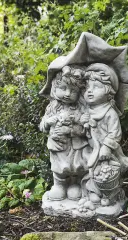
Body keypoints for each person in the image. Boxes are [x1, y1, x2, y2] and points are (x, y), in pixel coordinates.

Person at [80, 63, 128, 206]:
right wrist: (85, 124)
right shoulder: (89, 111)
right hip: (93, 150)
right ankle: (94, 193)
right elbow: (87, 133)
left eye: (96, 87)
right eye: (88, 87)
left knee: (107, 172)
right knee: (93, 171)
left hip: (107, 152)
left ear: (109, 92)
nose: (90, 91)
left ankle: (110, 195)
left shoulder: (109, 112)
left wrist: (107, 147)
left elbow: (115, 132)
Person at [40, 65, 90, 201]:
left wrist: (73, 129)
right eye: (63, 88)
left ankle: (74, 184)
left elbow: (85, 131)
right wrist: (49, 121)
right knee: (58, 167)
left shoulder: (80, 109)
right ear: (55, 88)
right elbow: (42, 126)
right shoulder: (52, 107)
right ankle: (59, 185)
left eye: (73, 91)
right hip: (57, 145)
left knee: (76, 166)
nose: (67, 94)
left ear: (79, 93)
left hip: (74, 146)